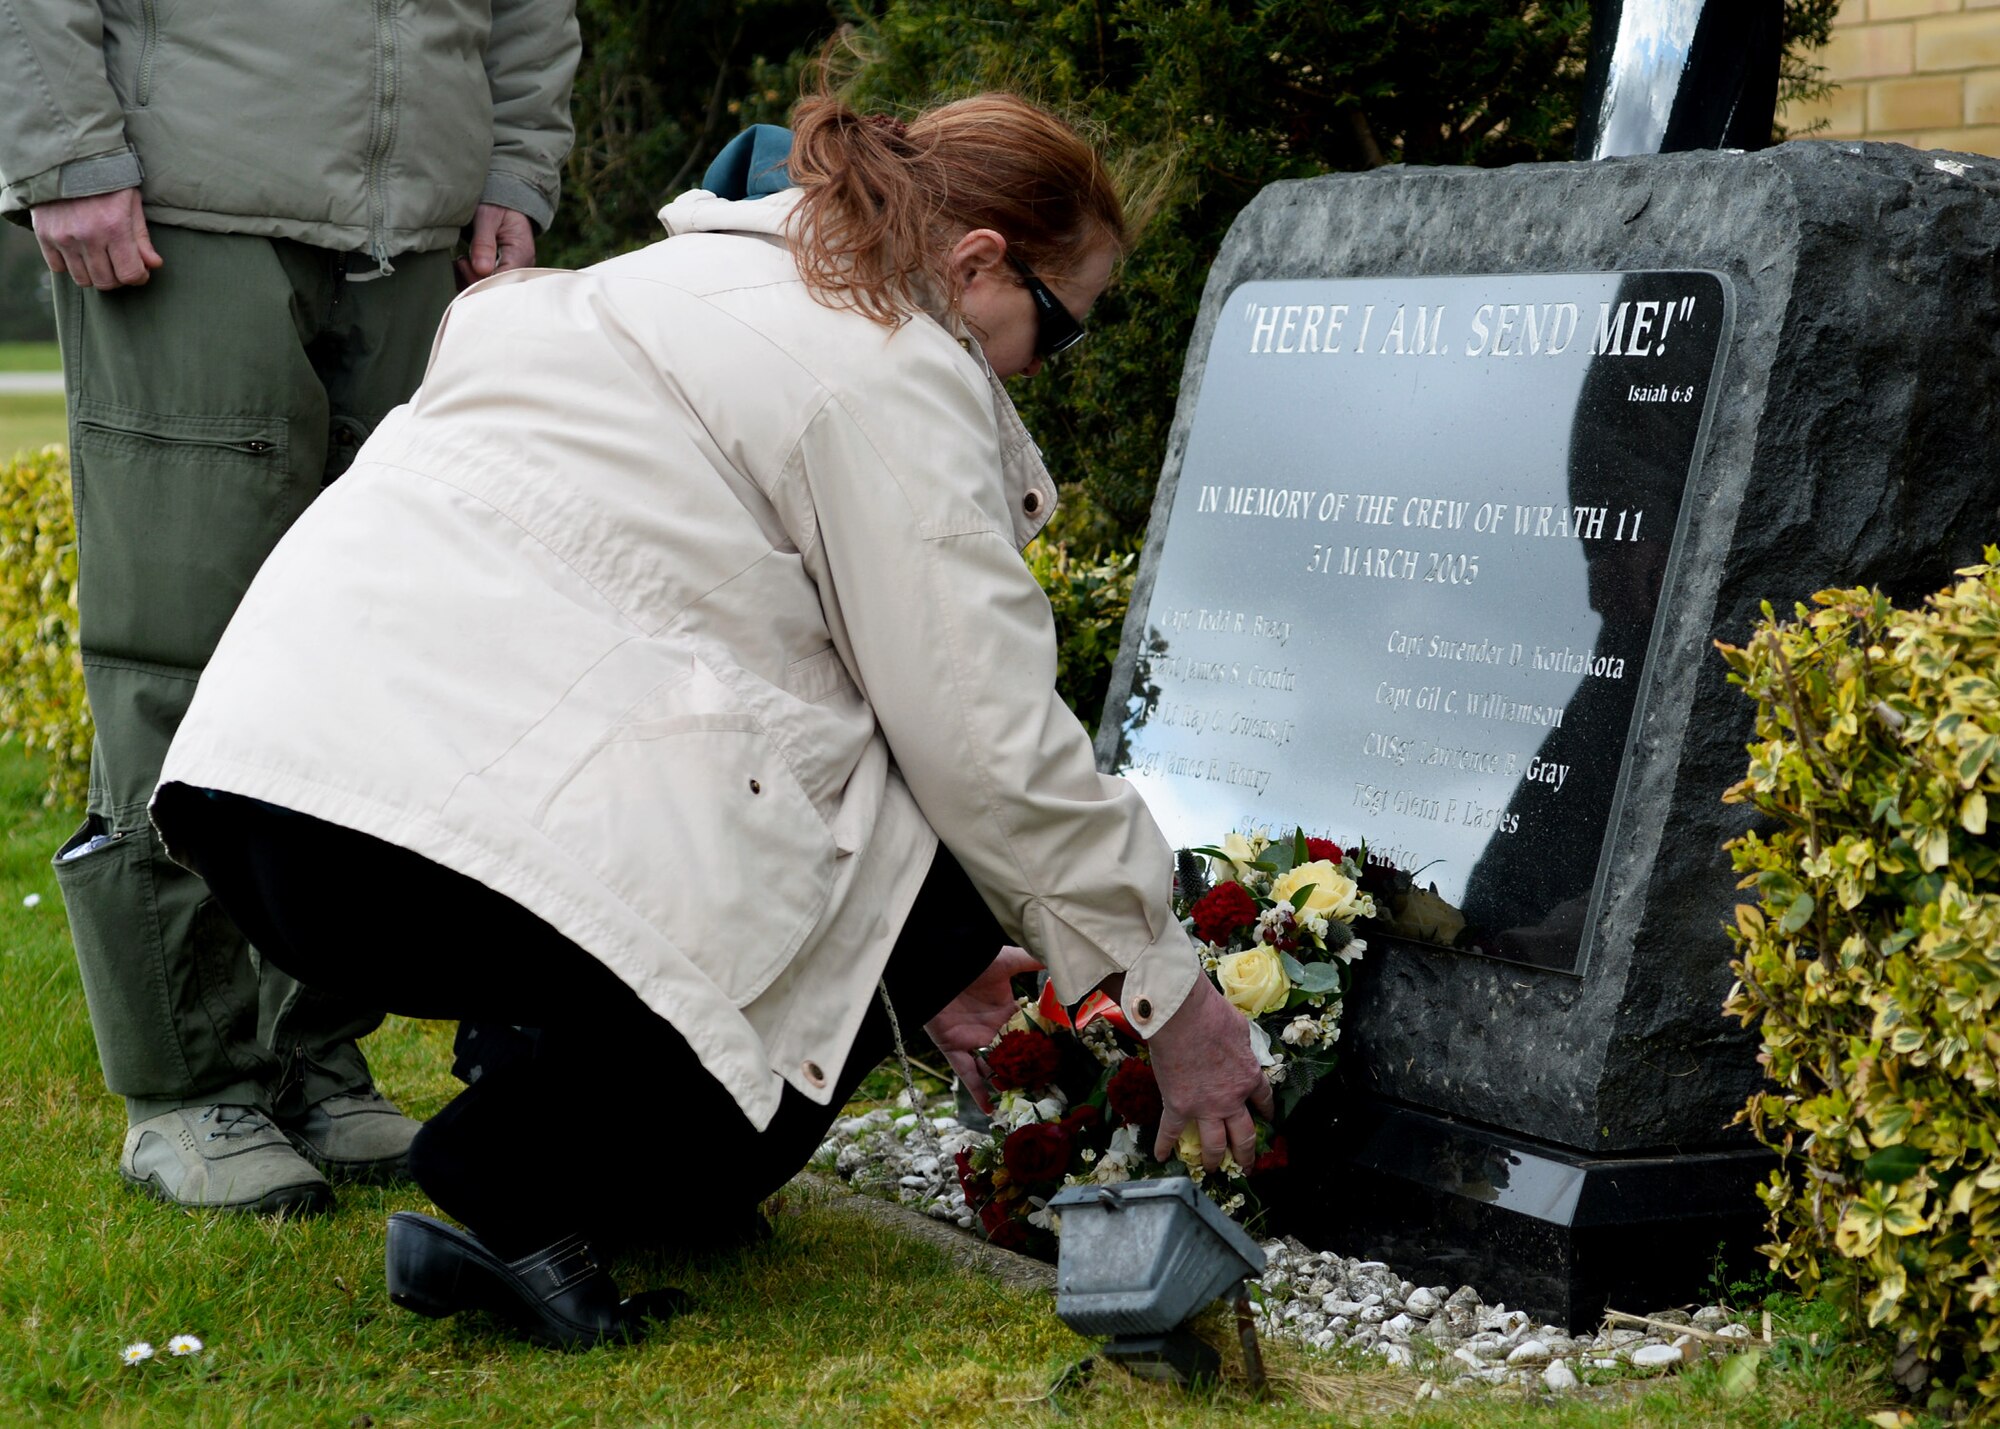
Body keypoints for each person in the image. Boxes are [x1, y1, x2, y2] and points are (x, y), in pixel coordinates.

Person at [148, 87, 1273, 1348]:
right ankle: (510, 1169)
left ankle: (552, 1164)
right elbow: (984, 740)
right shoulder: (887, 370)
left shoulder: (652, 284)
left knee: (842, 871)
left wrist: (944, 954)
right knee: (835, 929)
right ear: (973, 264)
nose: (1034, 369)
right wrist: (1176, 1000)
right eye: (1056, 329)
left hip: (272, 790)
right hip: (442, 839)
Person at [0, 1, 582, 1214]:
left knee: (379, 660)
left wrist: (516, 167)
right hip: (187, 209)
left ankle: (314, 1050)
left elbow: (533, 9)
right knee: (181, 640)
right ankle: (189, 1082)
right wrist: (64, 153)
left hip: (420, 234)